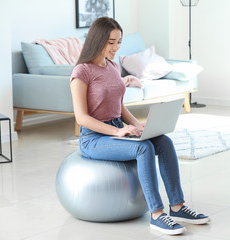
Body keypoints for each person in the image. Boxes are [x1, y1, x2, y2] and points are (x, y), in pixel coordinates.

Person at [70, 17, 210, 235]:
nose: (116, 47)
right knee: (143, 148)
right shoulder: (81, 72)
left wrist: (137, 125)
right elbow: (81, 117)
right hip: (94, 138)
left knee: (163, 142)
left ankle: (178, 207)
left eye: (119, 42)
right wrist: (118, 131)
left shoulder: (113, 66)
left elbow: (119, 106)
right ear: (98, 40)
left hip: (117, 129)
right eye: (111, 42)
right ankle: (156, 215)